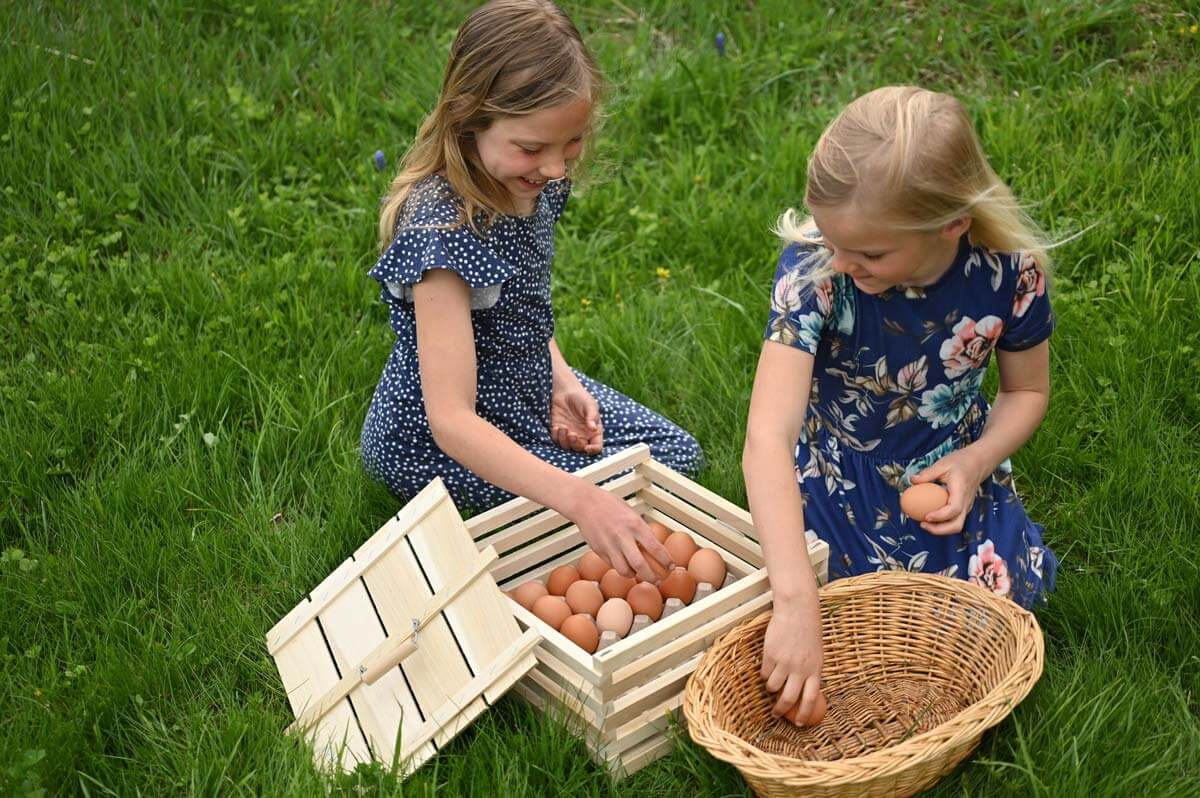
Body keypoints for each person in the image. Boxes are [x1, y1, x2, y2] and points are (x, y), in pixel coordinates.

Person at [742, 85, 1058, 725]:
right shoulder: (817, 272)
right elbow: (766, 440)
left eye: (870, 253)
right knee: (839, 629)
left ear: (953, 226)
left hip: (949, 476)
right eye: (832, 241)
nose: (843, 261)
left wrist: (974, 464)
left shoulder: (1007, 275)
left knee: (981, 625)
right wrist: (795, 596)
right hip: (836, 481)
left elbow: (1027, 391)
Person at [361, 0, 701, 582]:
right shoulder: (440, 237)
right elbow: (451, 419)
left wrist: (561, 381)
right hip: (440, 444)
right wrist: (578, 499)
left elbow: (521, 309)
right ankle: (562, 494)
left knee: (673, 459)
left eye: (569, 145)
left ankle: (566, 476)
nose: (555, 169)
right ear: (469, 120)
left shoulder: (530, 182)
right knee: (591, 515)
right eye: (533, 148)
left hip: (523, 390)